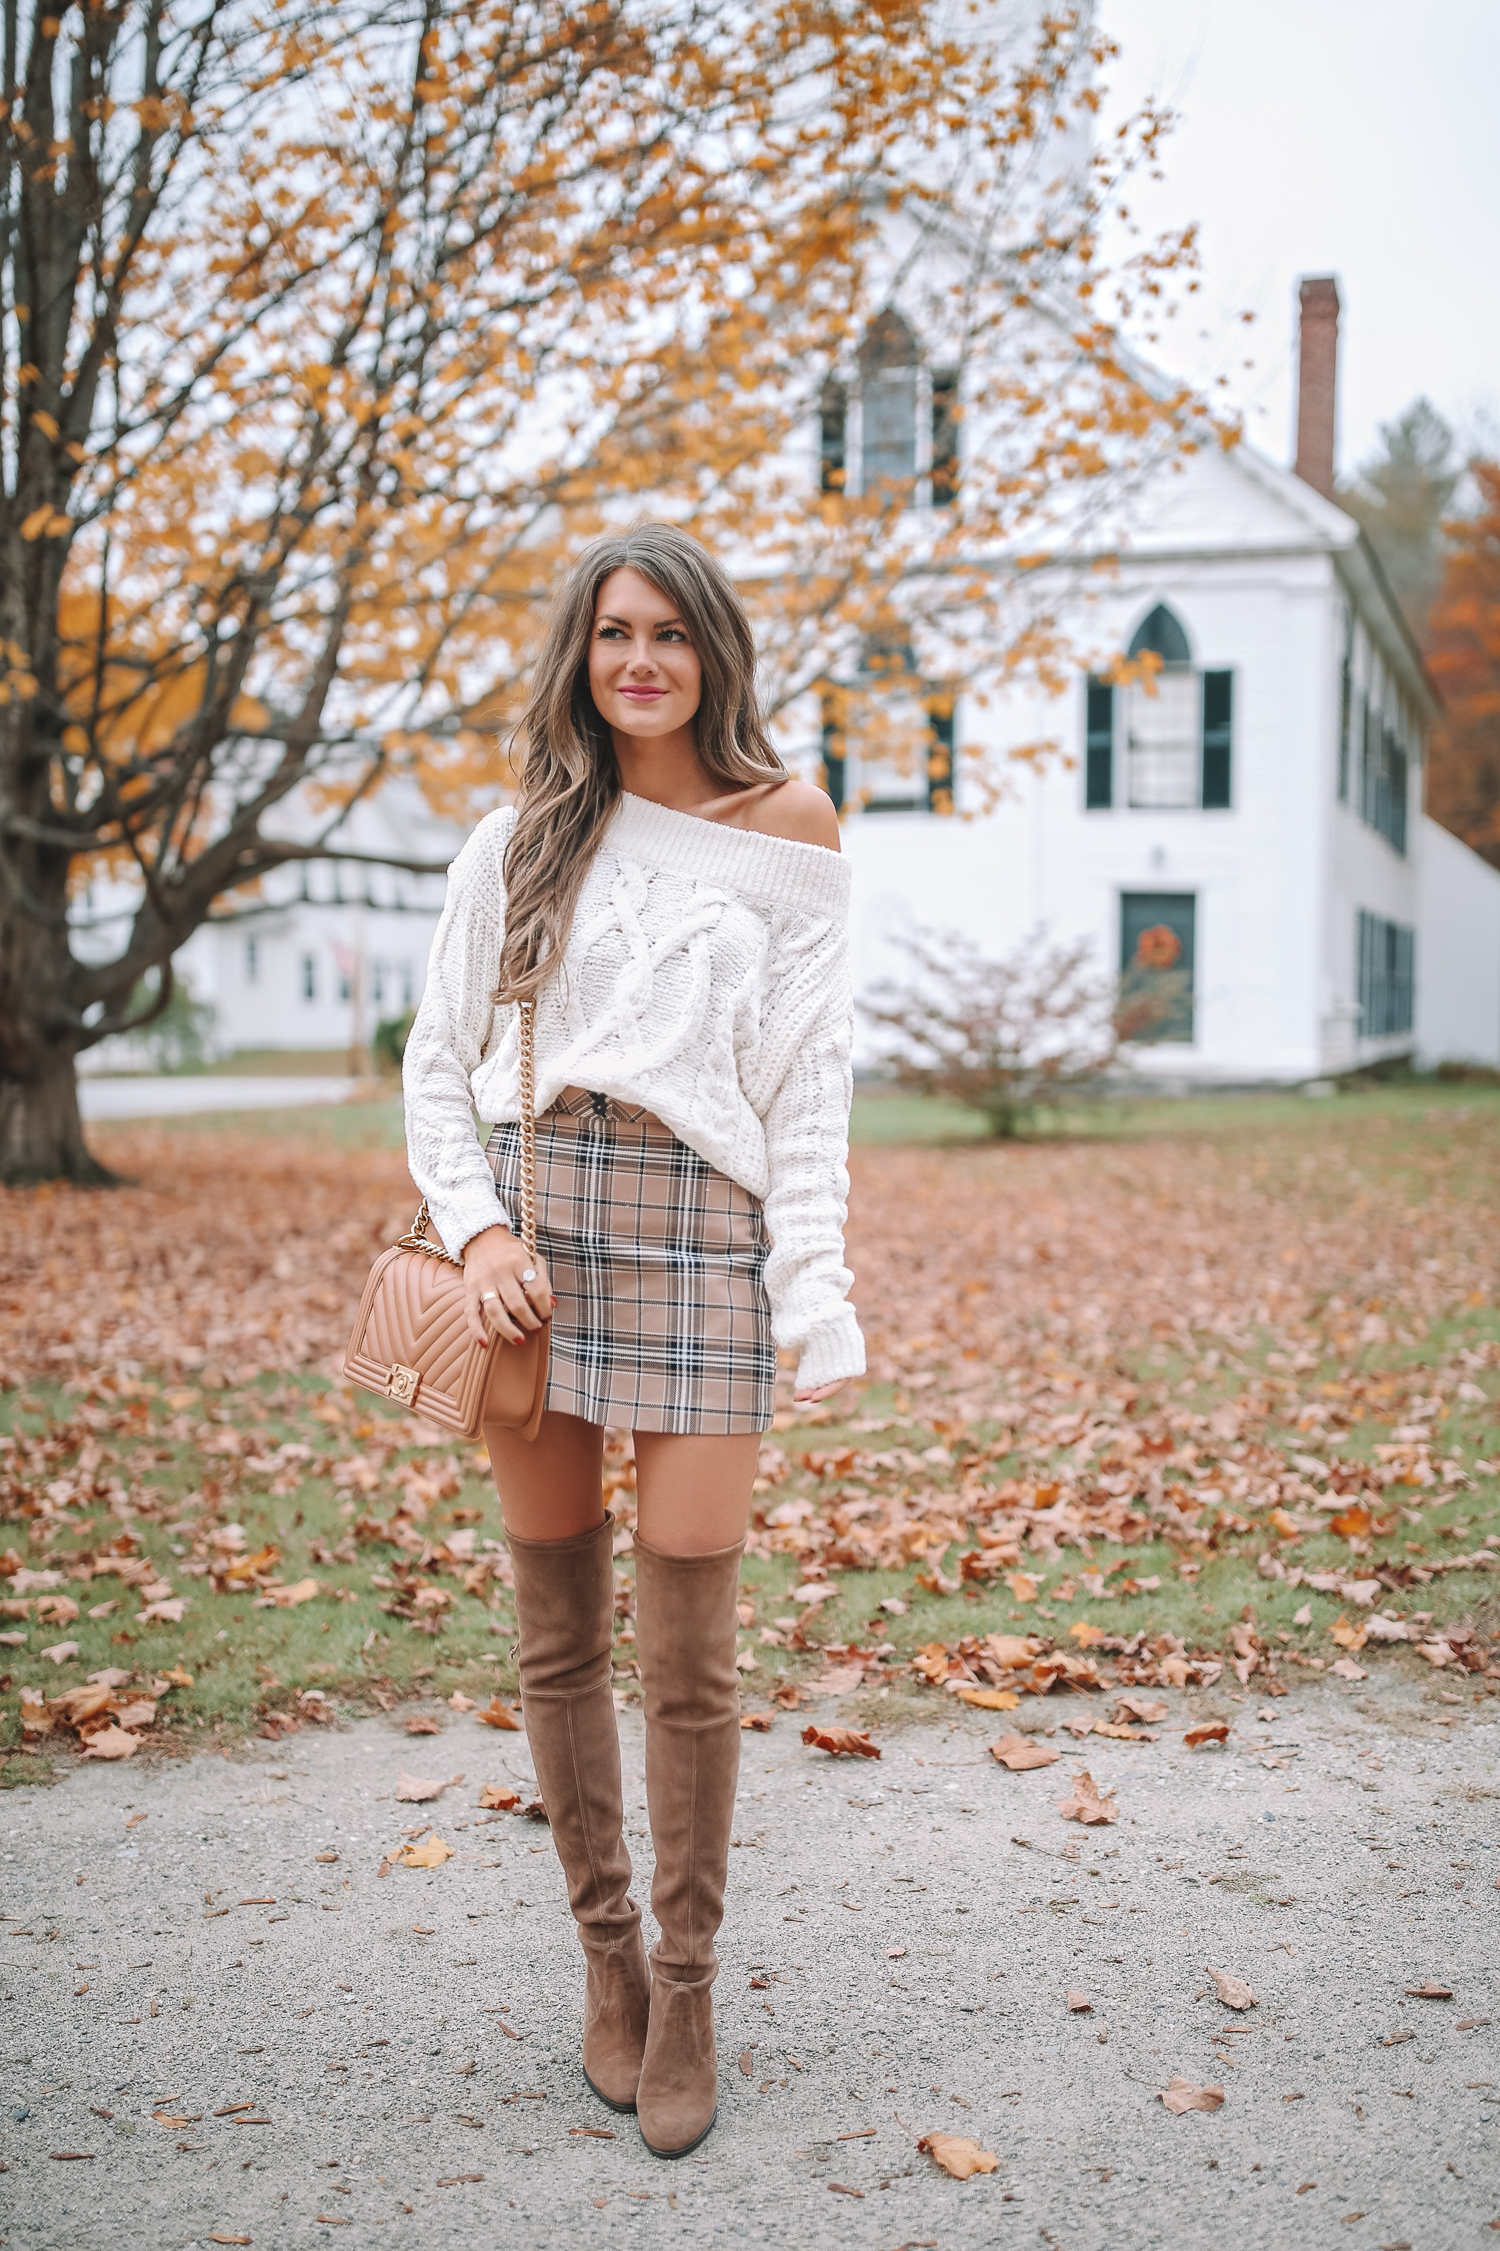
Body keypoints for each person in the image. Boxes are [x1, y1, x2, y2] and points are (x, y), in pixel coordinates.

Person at [402, 521, 864, 2159]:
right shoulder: (524, 834)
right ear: (581, 657)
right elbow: (435, 1061)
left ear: (712, 650)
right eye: (613, 634)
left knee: (689, 1651)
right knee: (554, 1635)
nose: (641, 660)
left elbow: (810, 1090)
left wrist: (817, 1288)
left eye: (670, 632)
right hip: (536, 1242)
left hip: (701, 1244)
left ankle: (688, 1983)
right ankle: (603, 1962)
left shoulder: (788, 828)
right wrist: (480, 1232)